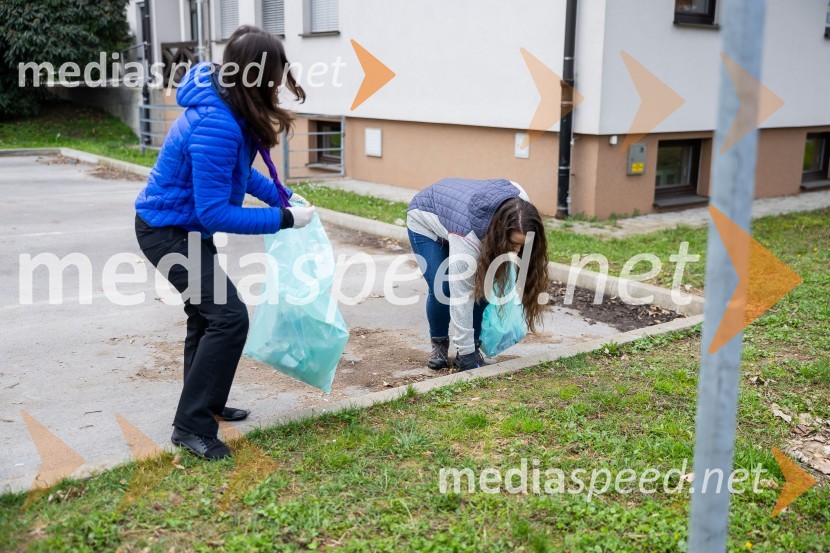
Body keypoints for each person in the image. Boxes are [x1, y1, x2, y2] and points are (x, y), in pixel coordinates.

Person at [134, 26, 314, 460]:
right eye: (274, 74)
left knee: (207, 317)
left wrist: (283, 195)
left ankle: (205, 406)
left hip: (186, 228)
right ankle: (190, 427)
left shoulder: (228, 104)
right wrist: (285, 219)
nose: (277, 84)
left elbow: (239, 175)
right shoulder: (218, 121)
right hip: (166, 230)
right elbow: (216, 211)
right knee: (229, 318)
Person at [406, 178, 550, 371]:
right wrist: (466, 356)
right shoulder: (469, 237)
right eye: (514, 243)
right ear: (499, 234)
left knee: (485, 284)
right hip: (426, 220)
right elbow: (461, 295)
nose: (518, 250)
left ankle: (473, 345)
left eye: (523, 244)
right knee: (443, 289)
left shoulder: (522, 206)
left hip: (458, 217)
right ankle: (439, 345)